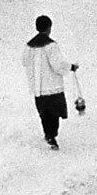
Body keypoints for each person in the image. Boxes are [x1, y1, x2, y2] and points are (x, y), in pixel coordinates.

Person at [21, 15, 79, 150]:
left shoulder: (29, 46)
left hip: (37, 88)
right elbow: (57, 65)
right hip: (52, 86)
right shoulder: (51, 45)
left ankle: (48, 134)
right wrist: (71, 67)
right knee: (54, 113)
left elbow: (24, 61)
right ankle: (51, 136)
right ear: (49, 28)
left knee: (44, 114)